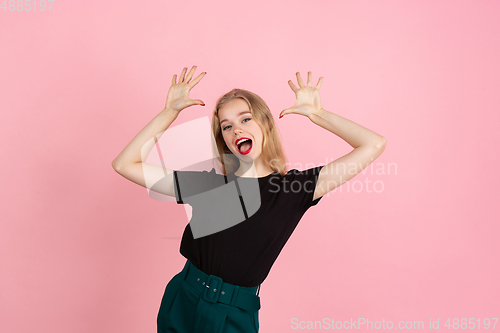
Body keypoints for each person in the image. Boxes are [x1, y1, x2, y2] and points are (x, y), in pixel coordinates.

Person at [112, 65, 387, 332]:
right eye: (226, 126)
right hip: (184, 297)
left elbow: (373, 144)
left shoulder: (295, 188)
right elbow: (125, 164)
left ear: (265, 123)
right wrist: (169, 112)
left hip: (235, 313)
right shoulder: (209, 184)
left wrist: (318, 114)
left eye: (245, 119)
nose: (237, 131)